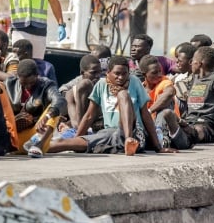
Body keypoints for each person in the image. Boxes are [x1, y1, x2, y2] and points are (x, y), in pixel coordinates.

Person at [48, 56, 176, 155]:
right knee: (63, 143)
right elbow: (89, 116)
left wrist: (158, 147)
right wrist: (77, 138)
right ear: (108, 72)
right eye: (117, 74)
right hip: (110, 133)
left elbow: (145, 114)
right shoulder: (101, 84)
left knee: (123, 95)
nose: (121, 77)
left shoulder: (135, 82)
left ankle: (128, 140)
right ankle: (34, 148)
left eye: (124, 74)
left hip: (136, 133)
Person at [0, 59, 66, 157]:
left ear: (37, 75)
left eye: (31, 83)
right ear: (17, 77)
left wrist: (47, 116)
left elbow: (60, 100)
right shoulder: (9, 84)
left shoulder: (46, 85)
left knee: (53, 109)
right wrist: (12, 121)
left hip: (37, 134)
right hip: (13, 139)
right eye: (23, 84)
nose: (28, 86)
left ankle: (39, 146)